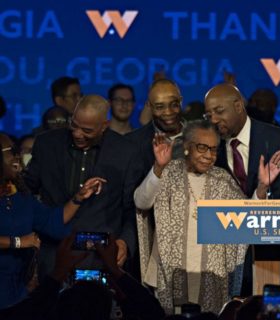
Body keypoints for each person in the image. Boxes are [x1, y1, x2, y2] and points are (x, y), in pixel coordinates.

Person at [135, 120, 280, 314]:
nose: (209, 155)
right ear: (188, 147)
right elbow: (141, 202)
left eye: (213, 149)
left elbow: (247, 220)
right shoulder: (169, 171)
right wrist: (158, 167)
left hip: (209, 275)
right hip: (169, 271)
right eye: (202, 148)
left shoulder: (222, 179)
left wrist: (262, 187)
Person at [204, 83, 280, 292]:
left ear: (238, 106)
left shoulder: (278, 139)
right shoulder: (211, 147)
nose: (214, 120)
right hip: (229, 253)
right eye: (208, 114)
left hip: (275, 251)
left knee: (269, 313)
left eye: (219, 111)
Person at [24, 95, 141, 278]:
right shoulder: (47, 144)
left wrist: (125, 241)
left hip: (102, 255)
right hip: (53, 253)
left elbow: (131, 207)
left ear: (105, 126)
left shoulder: (126, 151)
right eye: (74, 125)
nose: (78, 134)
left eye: (87, 130)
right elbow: (26, 190)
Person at [0, 133, 104, 308]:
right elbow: (23, 241)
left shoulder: (20, 197)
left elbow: (52, 221)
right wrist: (18, 242)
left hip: (17, 292)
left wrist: (78, 197)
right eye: (11, 151)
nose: (17, 156)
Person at [127, 78, 185, 180]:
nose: (168, 112)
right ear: (149, 106)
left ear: (181, 101)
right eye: (159, 107)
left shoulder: (202, 137)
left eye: (174, 104)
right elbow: (130, 194)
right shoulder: (131, 144)